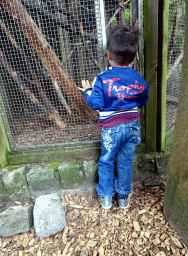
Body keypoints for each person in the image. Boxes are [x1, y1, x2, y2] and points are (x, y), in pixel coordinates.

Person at [78, 25, 149, 209]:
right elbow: (143, 99)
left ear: (109, 56)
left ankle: (106, 198)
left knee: (107, 160)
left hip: (111, 129)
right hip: (132, 126)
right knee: (125, 162)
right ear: (134, 57)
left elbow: (95, 103)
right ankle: (124, 198)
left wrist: (87, 90)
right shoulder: (139, 80)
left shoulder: (102, 79)